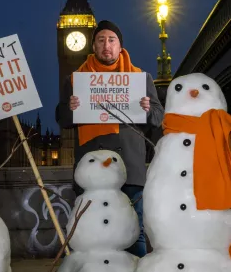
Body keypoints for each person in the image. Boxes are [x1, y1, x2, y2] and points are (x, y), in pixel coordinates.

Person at [57, 20, 164, 257]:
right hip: (91, 171)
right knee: (92, 234)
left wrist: (147, 110)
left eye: (112, 40)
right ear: (93, 46)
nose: (107, 45)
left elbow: (158, 117)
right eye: (101, 40)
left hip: (131, 169)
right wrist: (71, 108)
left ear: (120, 46)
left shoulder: (140, 78)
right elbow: (62, 118)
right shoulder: (75, 80)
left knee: (134, 231)